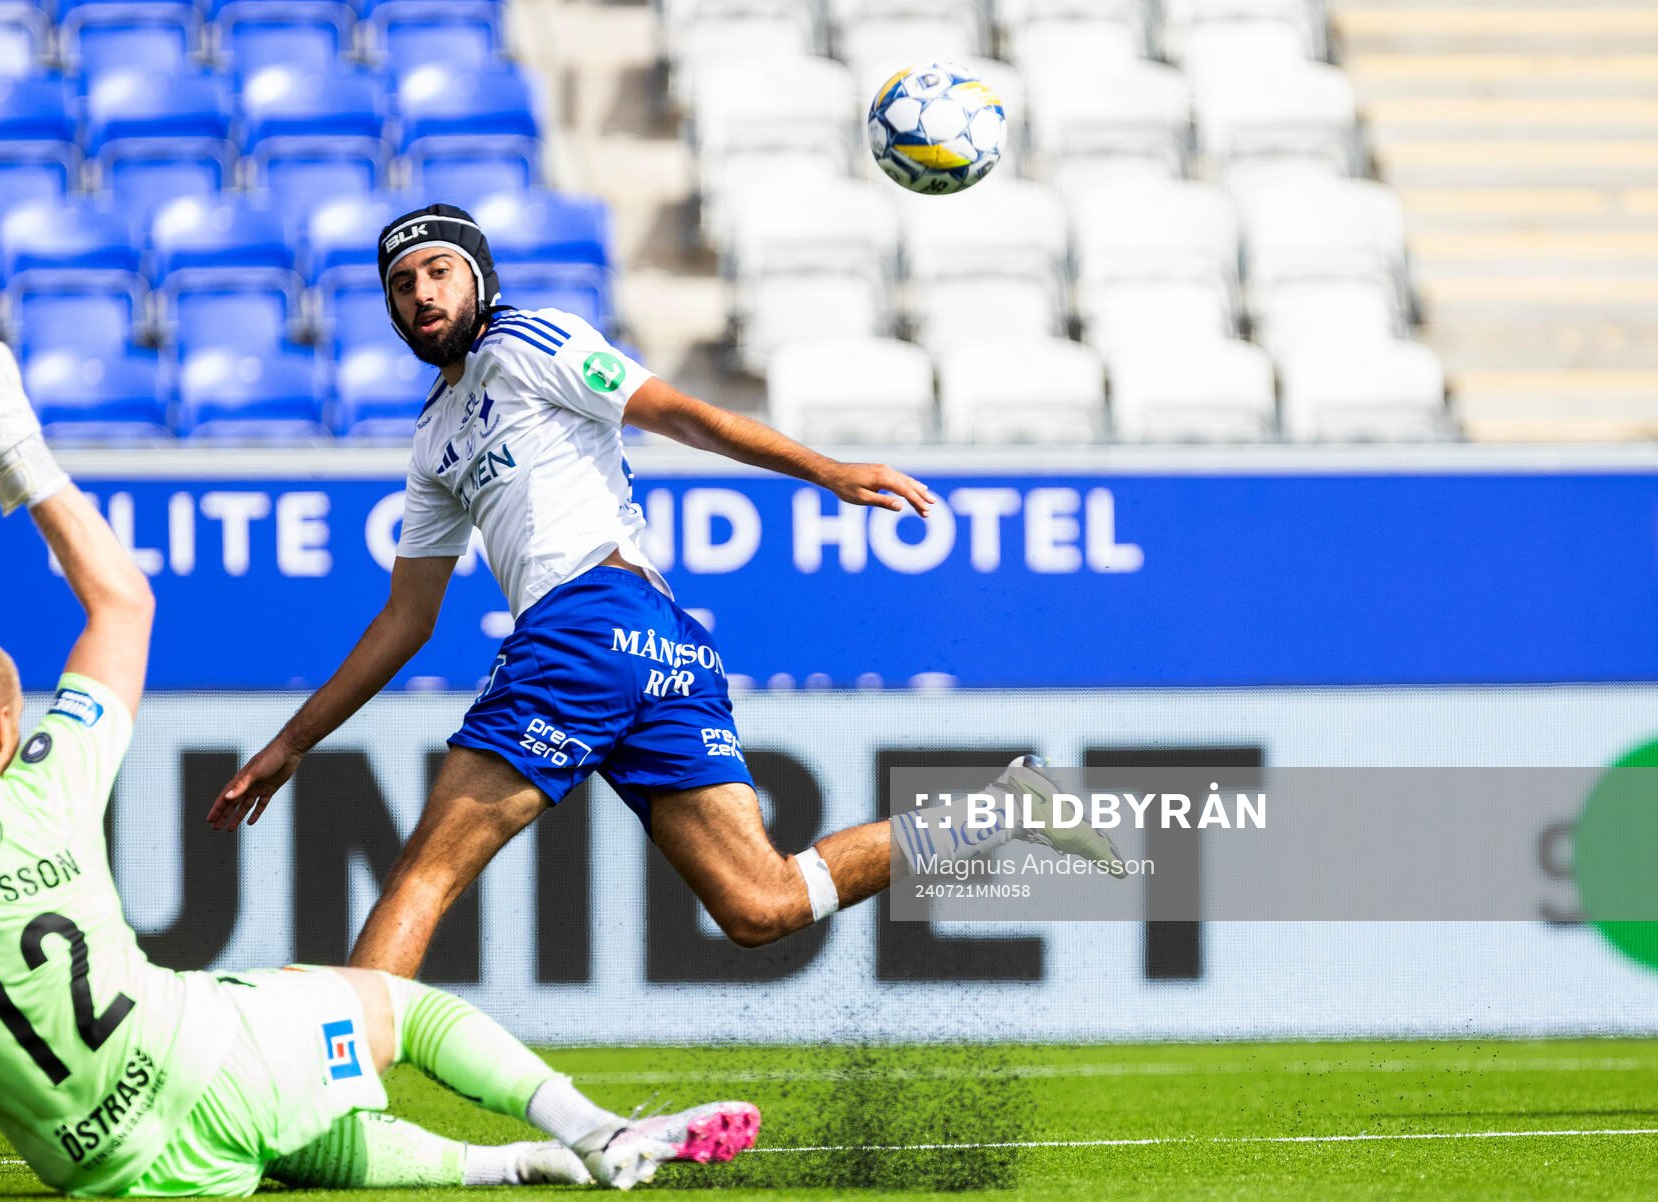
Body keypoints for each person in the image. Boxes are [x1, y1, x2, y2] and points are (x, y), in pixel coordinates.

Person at [0, 339, 758, 1196]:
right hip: (201, 1061)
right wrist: (24, 457)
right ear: (6, 723)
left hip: (111, 1167)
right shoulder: (42, 787)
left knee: (293, 1132)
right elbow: (124, 603)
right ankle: (590, 1127)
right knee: (392, 1002)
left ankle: (521, 1164)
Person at [208, 203, 1119, 979]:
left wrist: (826, 471)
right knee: (761, 904)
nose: (423, 294)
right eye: (402, 285)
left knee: (425, 876)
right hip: (657, 641)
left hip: (586, 624)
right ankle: (1004, 812)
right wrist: (293, 743)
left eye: (439, 270)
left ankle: (331, 1096)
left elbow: (686, 415)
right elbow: (407, 620)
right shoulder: (433, 436)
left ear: (477, 275)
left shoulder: (535, 339)